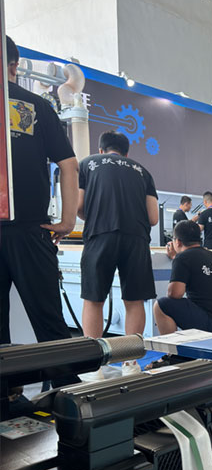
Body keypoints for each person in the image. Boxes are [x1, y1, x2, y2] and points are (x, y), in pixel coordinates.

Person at [0, 36, 79, 355]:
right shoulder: (37, 106)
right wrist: (68, 221)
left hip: (25, 228)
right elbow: (69, 164)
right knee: (51, 328)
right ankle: (64, 383)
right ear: (15, 65)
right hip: (31, 229)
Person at [77, 130, 159, 364]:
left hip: (100, 234)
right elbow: (153, 218)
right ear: (126, 153)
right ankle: (130, 363)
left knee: (94, 300)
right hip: (136, 239)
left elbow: (78, 206)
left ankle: (94, 366)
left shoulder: (88, 164)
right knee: (134, 301)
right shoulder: (143, 171)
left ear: (101, 149)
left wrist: (97, 215)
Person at [154, 220, 212, 335]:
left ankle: (171, 346)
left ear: (177, 242)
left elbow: (174, 294)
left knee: (161, 305)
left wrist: (177, 258)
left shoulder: (183, 258)